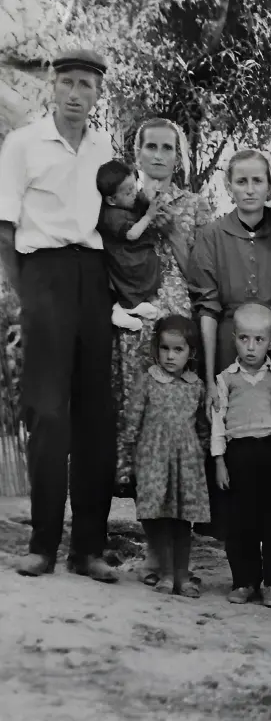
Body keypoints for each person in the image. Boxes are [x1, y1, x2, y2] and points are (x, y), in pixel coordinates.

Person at [0, 48, 119, 581]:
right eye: (67, 82)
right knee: (48, 412)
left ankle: (89, 548)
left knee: (95, 414)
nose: (75, 94)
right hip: (42, 272)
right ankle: (43, 544)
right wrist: (27, 291)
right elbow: (4, 228)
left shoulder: (103, 147)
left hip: (93, 274)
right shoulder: (23, 144)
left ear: (97, 93)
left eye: (85, 85)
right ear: (52, 86)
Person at [112, 118, 213, 511]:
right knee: (137, 413)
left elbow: (201, 277)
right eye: (150, 146)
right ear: (136, 153)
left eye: (167, 148)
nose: (158, 155)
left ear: (178, 157)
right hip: (134, 325)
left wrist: (171, 231)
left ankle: (181, 514)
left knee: (177, 417)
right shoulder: (119, 202)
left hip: (176, 325)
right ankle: (140, 505)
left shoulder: (194, 205)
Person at [188, 148, 271, 382]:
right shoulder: (211, 236)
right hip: (228, 346)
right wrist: (211, 378)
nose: (250, 189)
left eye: (258, 181)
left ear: (269, 186)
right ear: (229, 187)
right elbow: (207, 309)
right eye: (242, 181)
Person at [121, 315, 208, 597]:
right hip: (154, 459)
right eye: (165, 348)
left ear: (191, 352)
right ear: (156, 349)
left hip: (186, 463)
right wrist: (128, 460)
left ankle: (183, 574)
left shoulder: (196, 386)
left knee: (182, 521)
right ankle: (166, 573)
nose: (170, 356)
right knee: (158, 518)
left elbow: (202, 428)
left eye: (178, 349)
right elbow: (133, 421)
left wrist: (201, 455)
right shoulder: (148, 381)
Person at [210, 303, 271, 608]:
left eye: (259, 340)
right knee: (240, 523)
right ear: (234, 339)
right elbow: (218, 422)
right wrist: (220, 461)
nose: (251, 347)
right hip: (238, 454)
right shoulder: (226, 379)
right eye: (244, 338)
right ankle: (244, 581)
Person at [95, 159, 164, 331]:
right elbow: (132, 234)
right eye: (128, 192)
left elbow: (140, 200)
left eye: (134, 187)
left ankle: (132, 306)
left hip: (135, 255)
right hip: (126, 261)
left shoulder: (126, 202)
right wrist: (148, 217)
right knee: (134, 280)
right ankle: (122, 308)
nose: (134, 193)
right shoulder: (111, 216)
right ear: (112, 199)